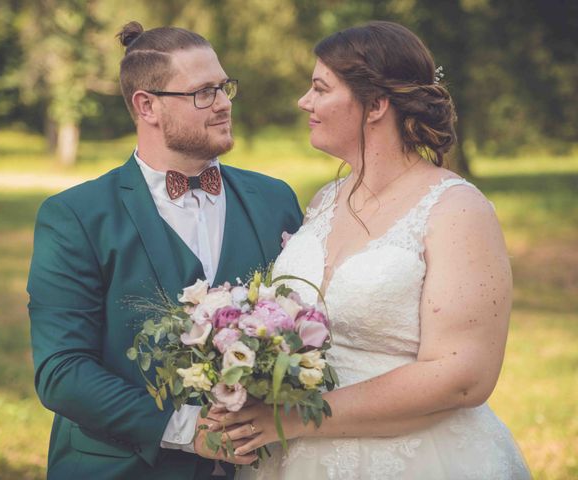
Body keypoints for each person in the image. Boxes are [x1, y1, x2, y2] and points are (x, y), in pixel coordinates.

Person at [216, 21, 531, 479]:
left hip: (414, 456)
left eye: (320, 88)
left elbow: (464, 376)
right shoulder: (326, 199)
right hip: (292, 455)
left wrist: (292, 419)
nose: (305, 101)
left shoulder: (456, 209)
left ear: (376, 105)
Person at [27, 22, 302, 479]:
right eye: (203, 92)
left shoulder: (274, 200)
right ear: (146, 105)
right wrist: (189, 428)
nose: (224, 103)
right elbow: (62, 371)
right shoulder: (75, 216)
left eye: (224, 86)